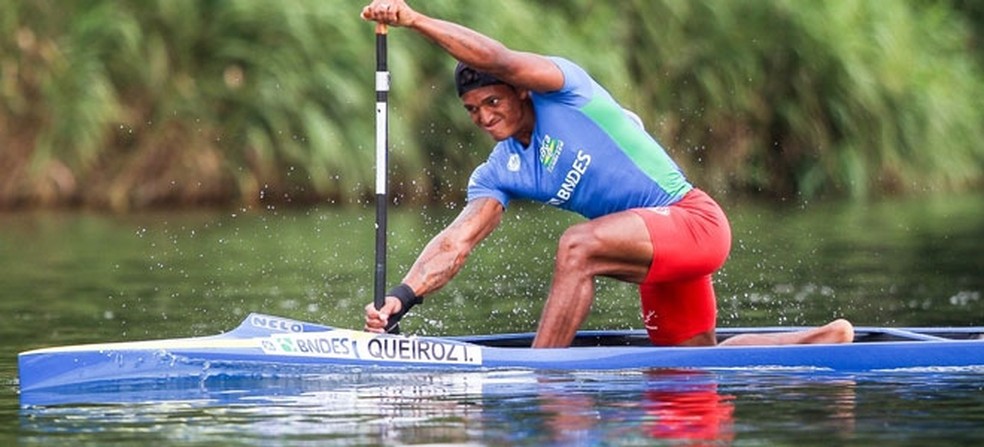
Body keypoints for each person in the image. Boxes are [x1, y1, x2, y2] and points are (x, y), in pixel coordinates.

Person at [360, 0, 854, 348]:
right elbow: (456, 242)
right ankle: (821, 340)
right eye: (472, 109)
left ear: (521, 91)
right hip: (651, 250)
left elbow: (500, 59)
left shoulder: (565, 89)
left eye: (493, 100)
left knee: (577, 246)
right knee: (690, 365)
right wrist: (400, 301)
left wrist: (415, 20)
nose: (485, 115)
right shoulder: (500, 171)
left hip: (693, 222)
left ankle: (543, 377)